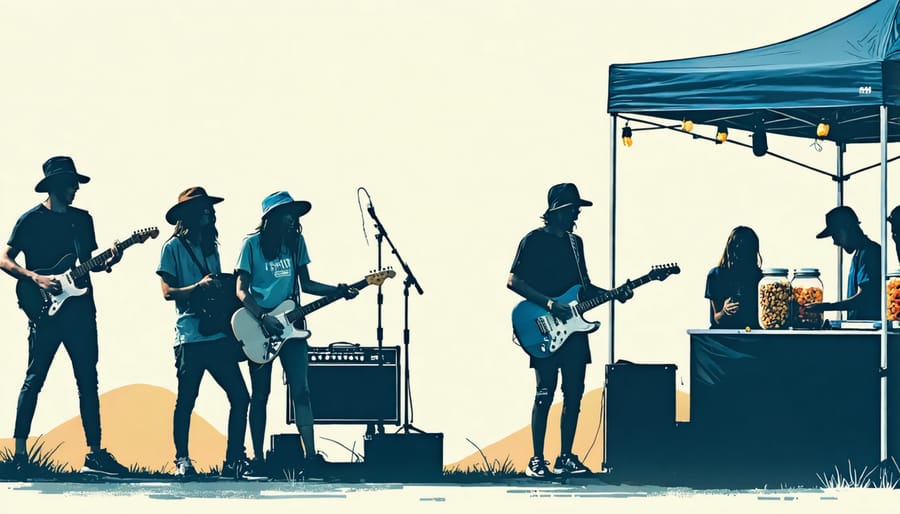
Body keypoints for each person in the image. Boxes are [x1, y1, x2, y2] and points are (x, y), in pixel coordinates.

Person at [0, 156, 129, 476]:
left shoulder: (83, 220)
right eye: (72, 184)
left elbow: (86, 263)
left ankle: (95, 454)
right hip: (44, 310)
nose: (76, 189)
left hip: (81, 311)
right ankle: (19, 455)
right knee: (34, 379)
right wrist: (35, 278)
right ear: (56, 185)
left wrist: (111, 258)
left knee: (88, 380)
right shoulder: (30, 220)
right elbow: (4, 259)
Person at [507, 182, 633, 479]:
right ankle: (537, 459)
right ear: (557, 210)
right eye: (573, 207)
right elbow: (514, 281)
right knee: (544, 391)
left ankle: (565, 457)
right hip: (543, 325)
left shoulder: (576, 244)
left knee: (574, 393)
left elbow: (584, 288)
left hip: (574, 330)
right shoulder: (533, 240)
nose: (577, 212)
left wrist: (616, 292)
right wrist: (550, 305)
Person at [235, 190, 359, 477]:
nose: (293, 219)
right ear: (272, 218)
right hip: (260, 327)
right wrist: (262, 317)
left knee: (301, 391)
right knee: (260, 394)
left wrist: (338, 291)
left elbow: (308, 284)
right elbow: (241, 289)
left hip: (293, 328)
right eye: (287, 213)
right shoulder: (251, 245)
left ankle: (311, 457)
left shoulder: (296, 243)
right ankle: (257, 460)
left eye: (294, 214)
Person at [157, 187, 256, 479]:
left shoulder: (212, 247)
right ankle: (182, 459)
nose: (209, 213)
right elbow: (167, 293)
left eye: (210, 209)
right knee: (187, 399)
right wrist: (198, 287)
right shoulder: (172, 247)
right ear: (189, 215)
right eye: (203, 208)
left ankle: (233, 459)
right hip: (190, 337)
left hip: (217, 334)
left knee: (240, 397)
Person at [805, 205, 881, 320]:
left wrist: (827, 307)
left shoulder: (870, 252)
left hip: (869, 332)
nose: (835, 242)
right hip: (860, 330)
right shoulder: (858, 255)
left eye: (835, 235)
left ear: (848, 227)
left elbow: (864, 298)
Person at [704, 226, 763, 329]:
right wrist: (724, 311)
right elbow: (716, 319)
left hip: (753, 336)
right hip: (723, 338)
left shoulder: (760, 278)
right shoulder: (716, 275)